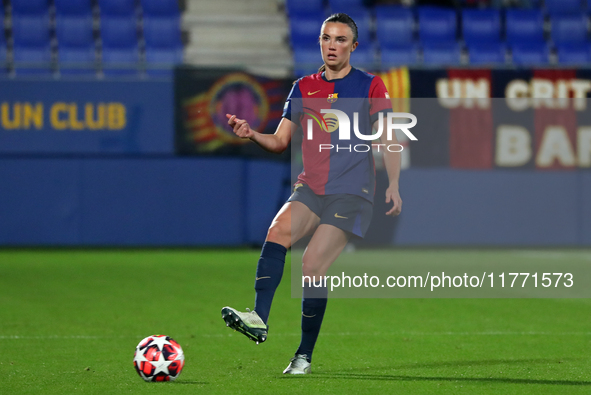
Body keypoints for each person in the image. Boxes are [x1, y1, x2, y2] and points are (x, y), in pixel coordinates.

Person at [221, 13, 403, 375]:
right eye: (326, 38)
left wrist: (394, 184)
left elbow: (388, 139)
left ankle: (303, 355)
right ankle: (258, 317)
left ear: (353, 46)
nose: (331, 45)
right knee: (277, 232)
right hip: (311, 187)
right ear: (319, 41)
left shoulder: (371, 86)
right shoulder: (303, 87)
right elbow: (279, 142)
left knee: (312, 265)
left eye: (339, 39)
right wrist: (252, 134)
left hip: (352, 192)